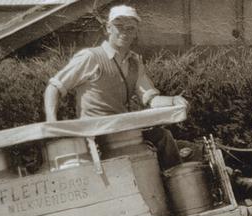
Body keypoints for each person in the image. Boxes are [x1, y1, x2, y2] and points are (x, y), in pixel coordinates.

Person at [44, 5, 185, 169]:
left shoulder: (134, 62)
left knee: (162, 137)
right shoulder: (91, 57)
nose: (124, 31)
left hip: (122, 130)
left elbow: (150, 99)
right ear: (108, 28)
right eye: (119, 26)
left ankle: (175, 185)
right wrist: (52, 123)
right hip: (95, 135)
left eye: (130, 28)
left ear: (136, 32)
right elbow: (54, 87)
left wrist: (174, 100)